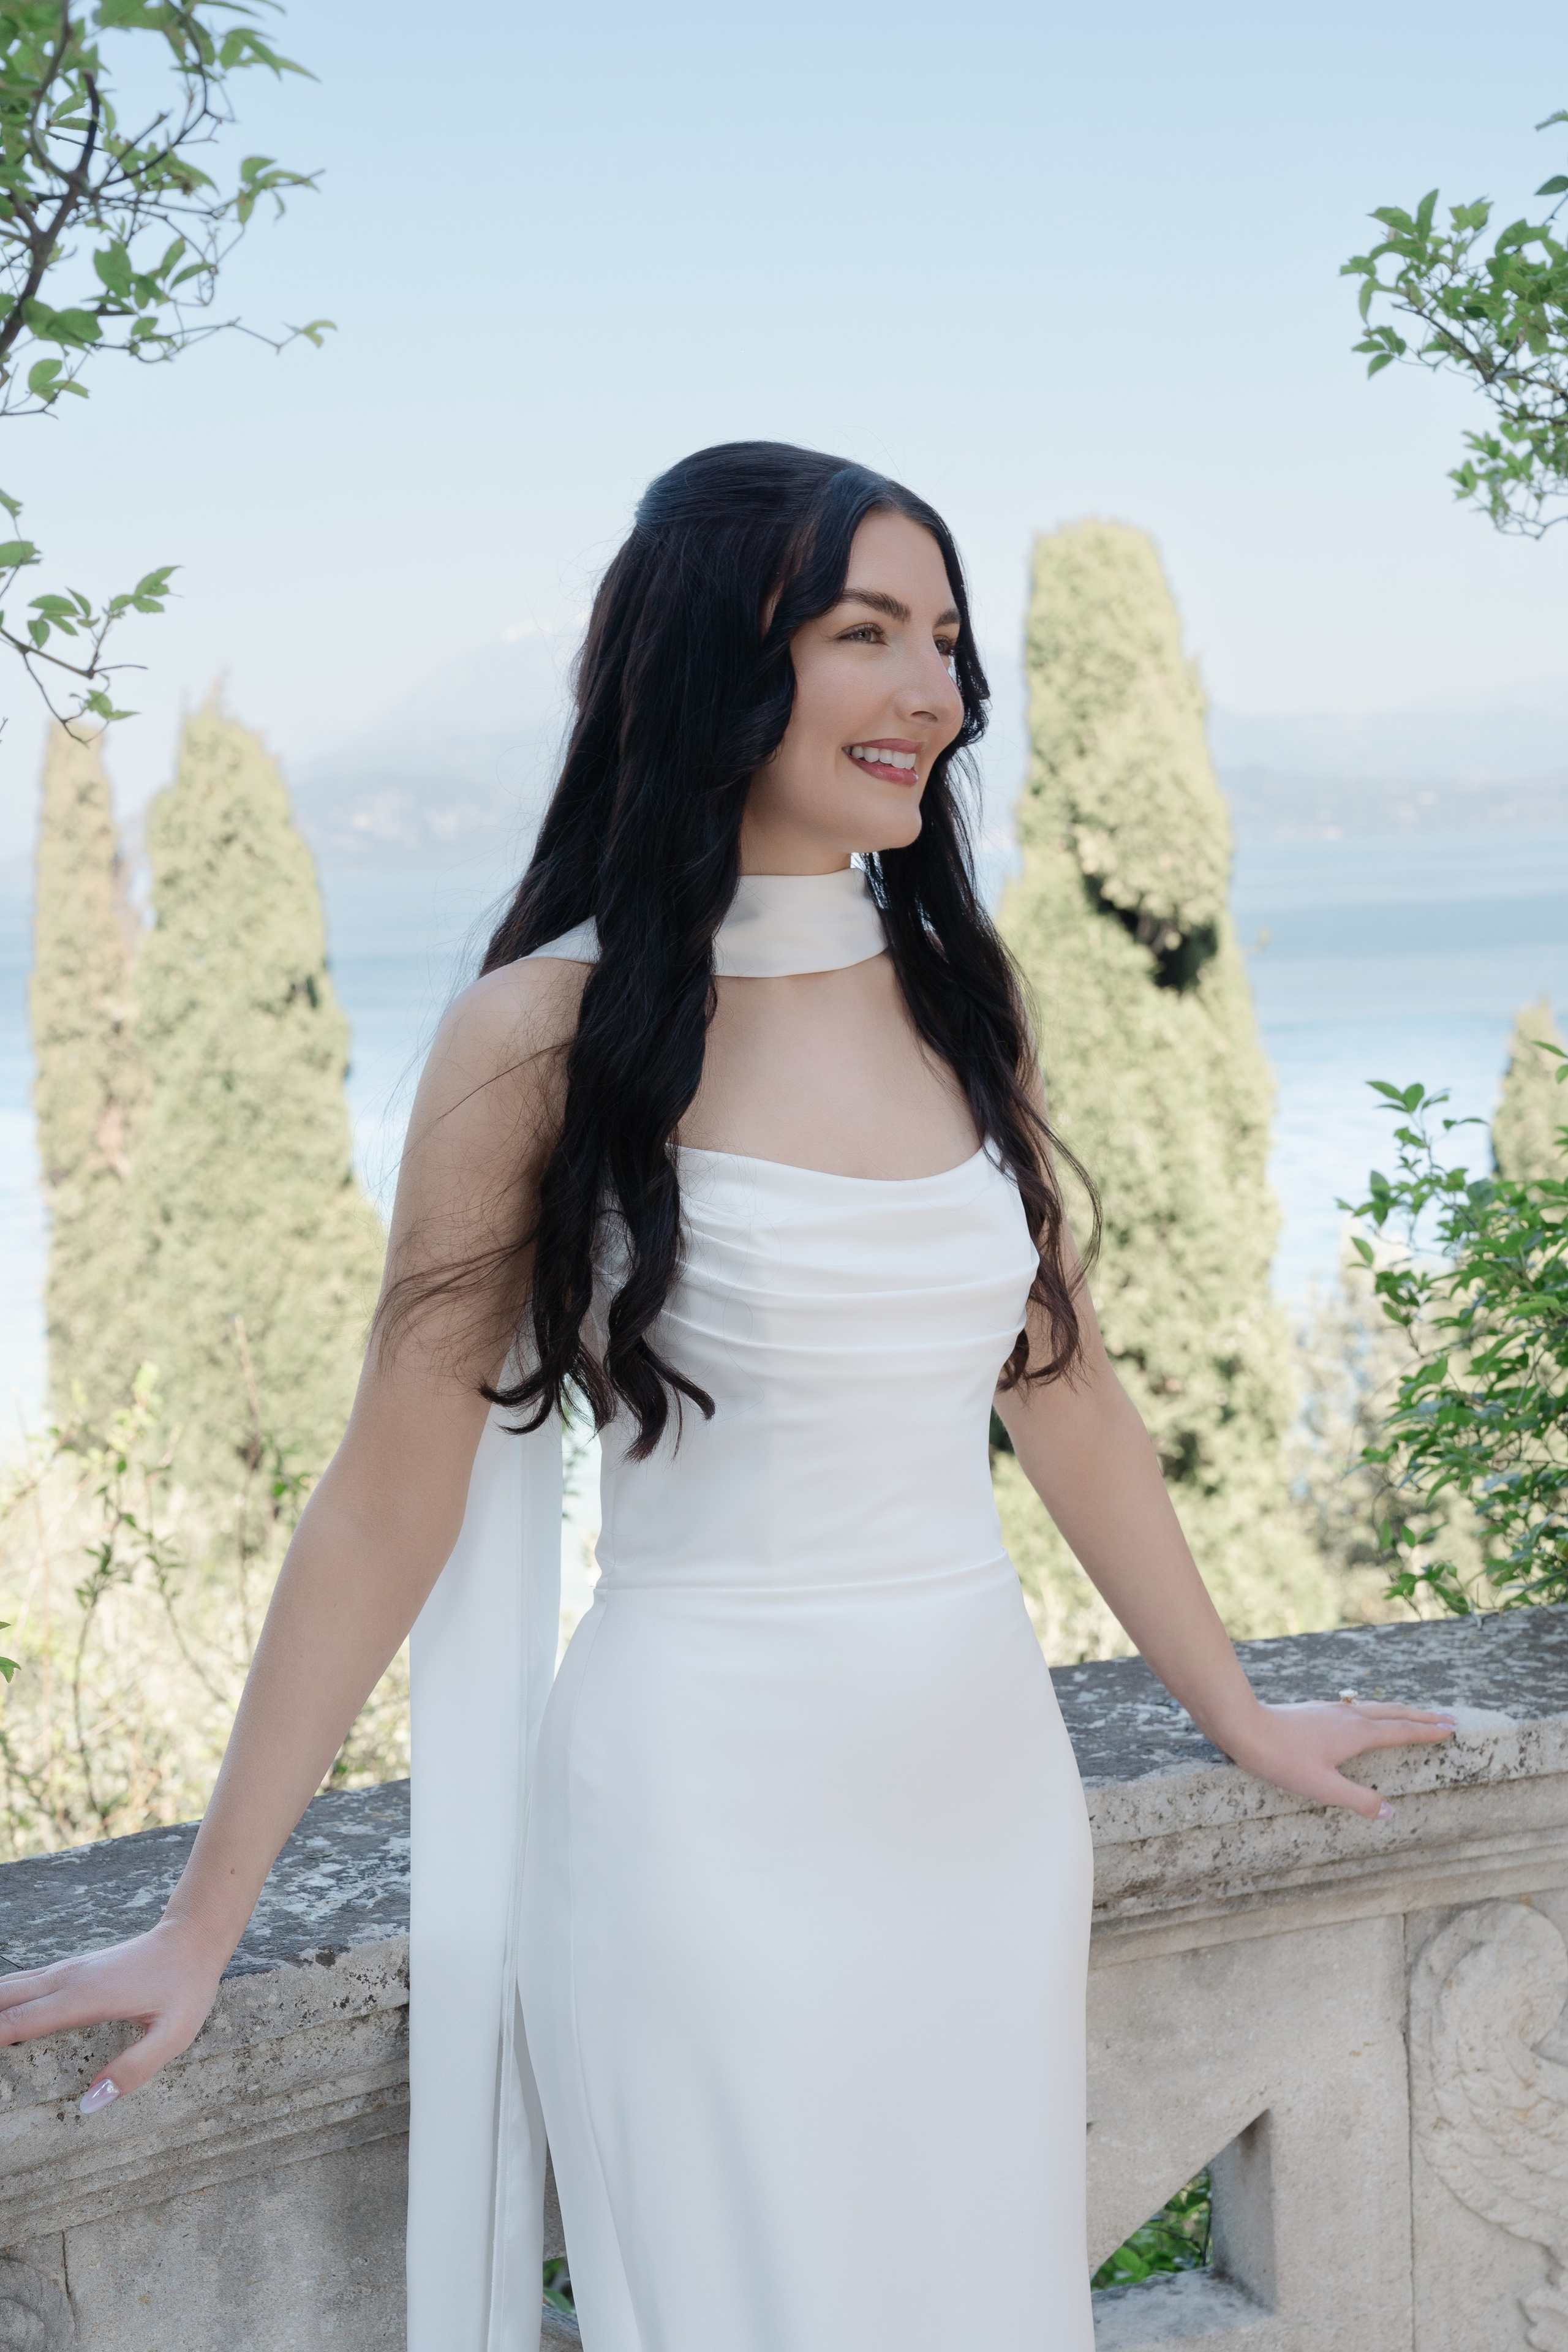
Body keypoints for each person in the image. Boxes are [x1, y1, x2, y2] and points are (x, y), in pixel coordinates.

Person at [0, 443, 1455, 2352]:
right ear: (712, 659)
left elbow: (1064, 1385)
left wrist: (1236, 1708)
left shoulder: (961, 998)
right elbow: (387, 1495)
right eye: (868, 632)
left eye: (947, 639)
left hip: (984, 1807)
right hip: (700, 1828)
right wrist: (203, 1919)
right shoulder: (542, 1032)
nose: (936, 689)